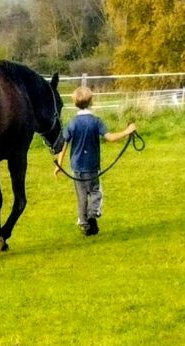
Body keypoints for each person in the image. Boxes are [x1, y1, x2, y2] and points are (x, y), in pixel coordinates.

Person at [54, 85, 137, 236]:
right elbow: (110, 138)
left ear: (75, 103)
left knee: (81, 196)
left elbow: (64, 145)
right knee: (95, 192)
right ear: (91, 101)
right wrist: (127, 131)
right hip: (91, 165)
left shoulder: (72, 123)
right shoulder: (96, 122)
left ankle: (84, 224)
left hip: (76, 167)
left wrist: (59, 164)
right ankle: (92, 215)